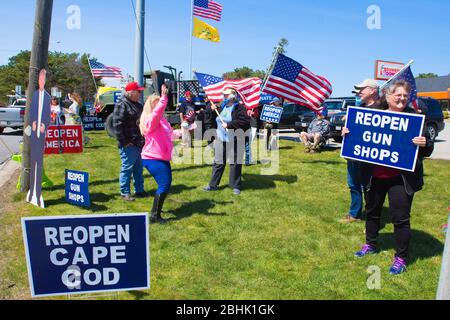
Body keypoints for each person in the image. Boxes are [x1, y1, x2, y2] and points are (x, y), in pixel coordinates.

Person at [349, 80, 434, 275]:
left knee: (400, 218)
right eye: (398, 95)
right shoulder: (372, 116)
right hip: (375, 176)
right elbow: (356, 142)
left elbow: (427, 149)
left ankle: (401, 257)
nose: (402, 98)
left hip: (401, 179)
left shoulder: (415, 119)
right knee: (372, 212)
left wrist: (425, 143)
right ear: (388, 97)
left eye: (405, 95)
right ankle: (370, 244)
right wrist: (348, 134)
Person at [340, 79, 382, 223]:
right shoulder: (358, 108)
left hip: (371, 158)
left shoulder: (384, 109)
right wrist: (345, 130)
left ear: (373, 90)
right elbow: (351, 130)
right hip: (353, 155)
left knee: (369, 187)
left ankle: (372, 216)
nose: (359, 92)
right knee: (353, 185)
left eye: (362, 89)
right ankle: (354, 214)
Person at [203, 88, 250, 195]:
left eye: (226, 95)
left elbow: (244, 122)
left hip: (234, 139)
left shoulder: (239, 107)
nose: (223, 96)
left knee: (235, 163)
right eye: (223, 95)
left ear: (233, 96)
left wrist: (229, 125)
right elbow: (217, 119)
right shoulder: (223, 106)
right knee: (218, 163)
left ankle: (235, 186)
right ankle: (213, 185)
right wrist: (212, 110)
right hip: (221, 139)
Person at [140, 84, 173, 224]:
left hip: (161, 157)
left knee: (165, 184)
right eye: (157, 103)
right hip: (153, 158)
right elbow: (156, 114)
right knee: (164, 184)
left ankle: (156, 212)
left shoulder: (161, 120)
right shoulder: (149, 120)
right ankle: (154, 216)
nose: (160, 106)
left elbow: (169, 134)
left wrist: (185, 131)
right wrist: (164, 98)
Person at [113, 82, 146, 201]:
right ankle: (125, 192)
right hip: (129, 143)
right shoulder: (122, 104)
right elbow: (117, 125)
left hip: (138, 142)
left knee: (138, 168)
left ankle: (139, 190)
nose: (140, 94)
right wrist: (125, 141)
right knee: (127, 168)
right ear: (131, 92)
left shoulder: (137, 105)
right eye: (139, 91)